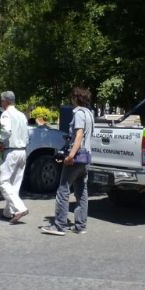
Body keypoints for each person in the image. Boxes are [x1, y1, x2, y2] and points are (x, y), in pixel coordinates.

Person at [41, 86, 94, 236]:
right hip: (86, 157)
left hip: (77, 157)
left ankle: (59, 225)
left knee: (63, 190)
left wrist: (70, 155)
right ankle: (80, 225)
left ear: (76, 98)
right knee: (81, 191)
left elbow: (78, 136)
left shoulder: (78, 114)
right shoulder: (89, 113)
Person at [0, 91, 30, 224]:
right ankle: (9, 212)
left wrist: (0, 142)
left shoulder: (6, 114)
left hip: (11, 151)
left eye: (1, 100)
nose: (0, 102)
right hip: (22, 151)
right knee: (15, 183)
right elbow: (27, 134)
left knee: (3, 181)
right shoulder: (22, 115)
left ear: (5, 101)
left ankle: (20, 208)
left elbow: (6, 131)